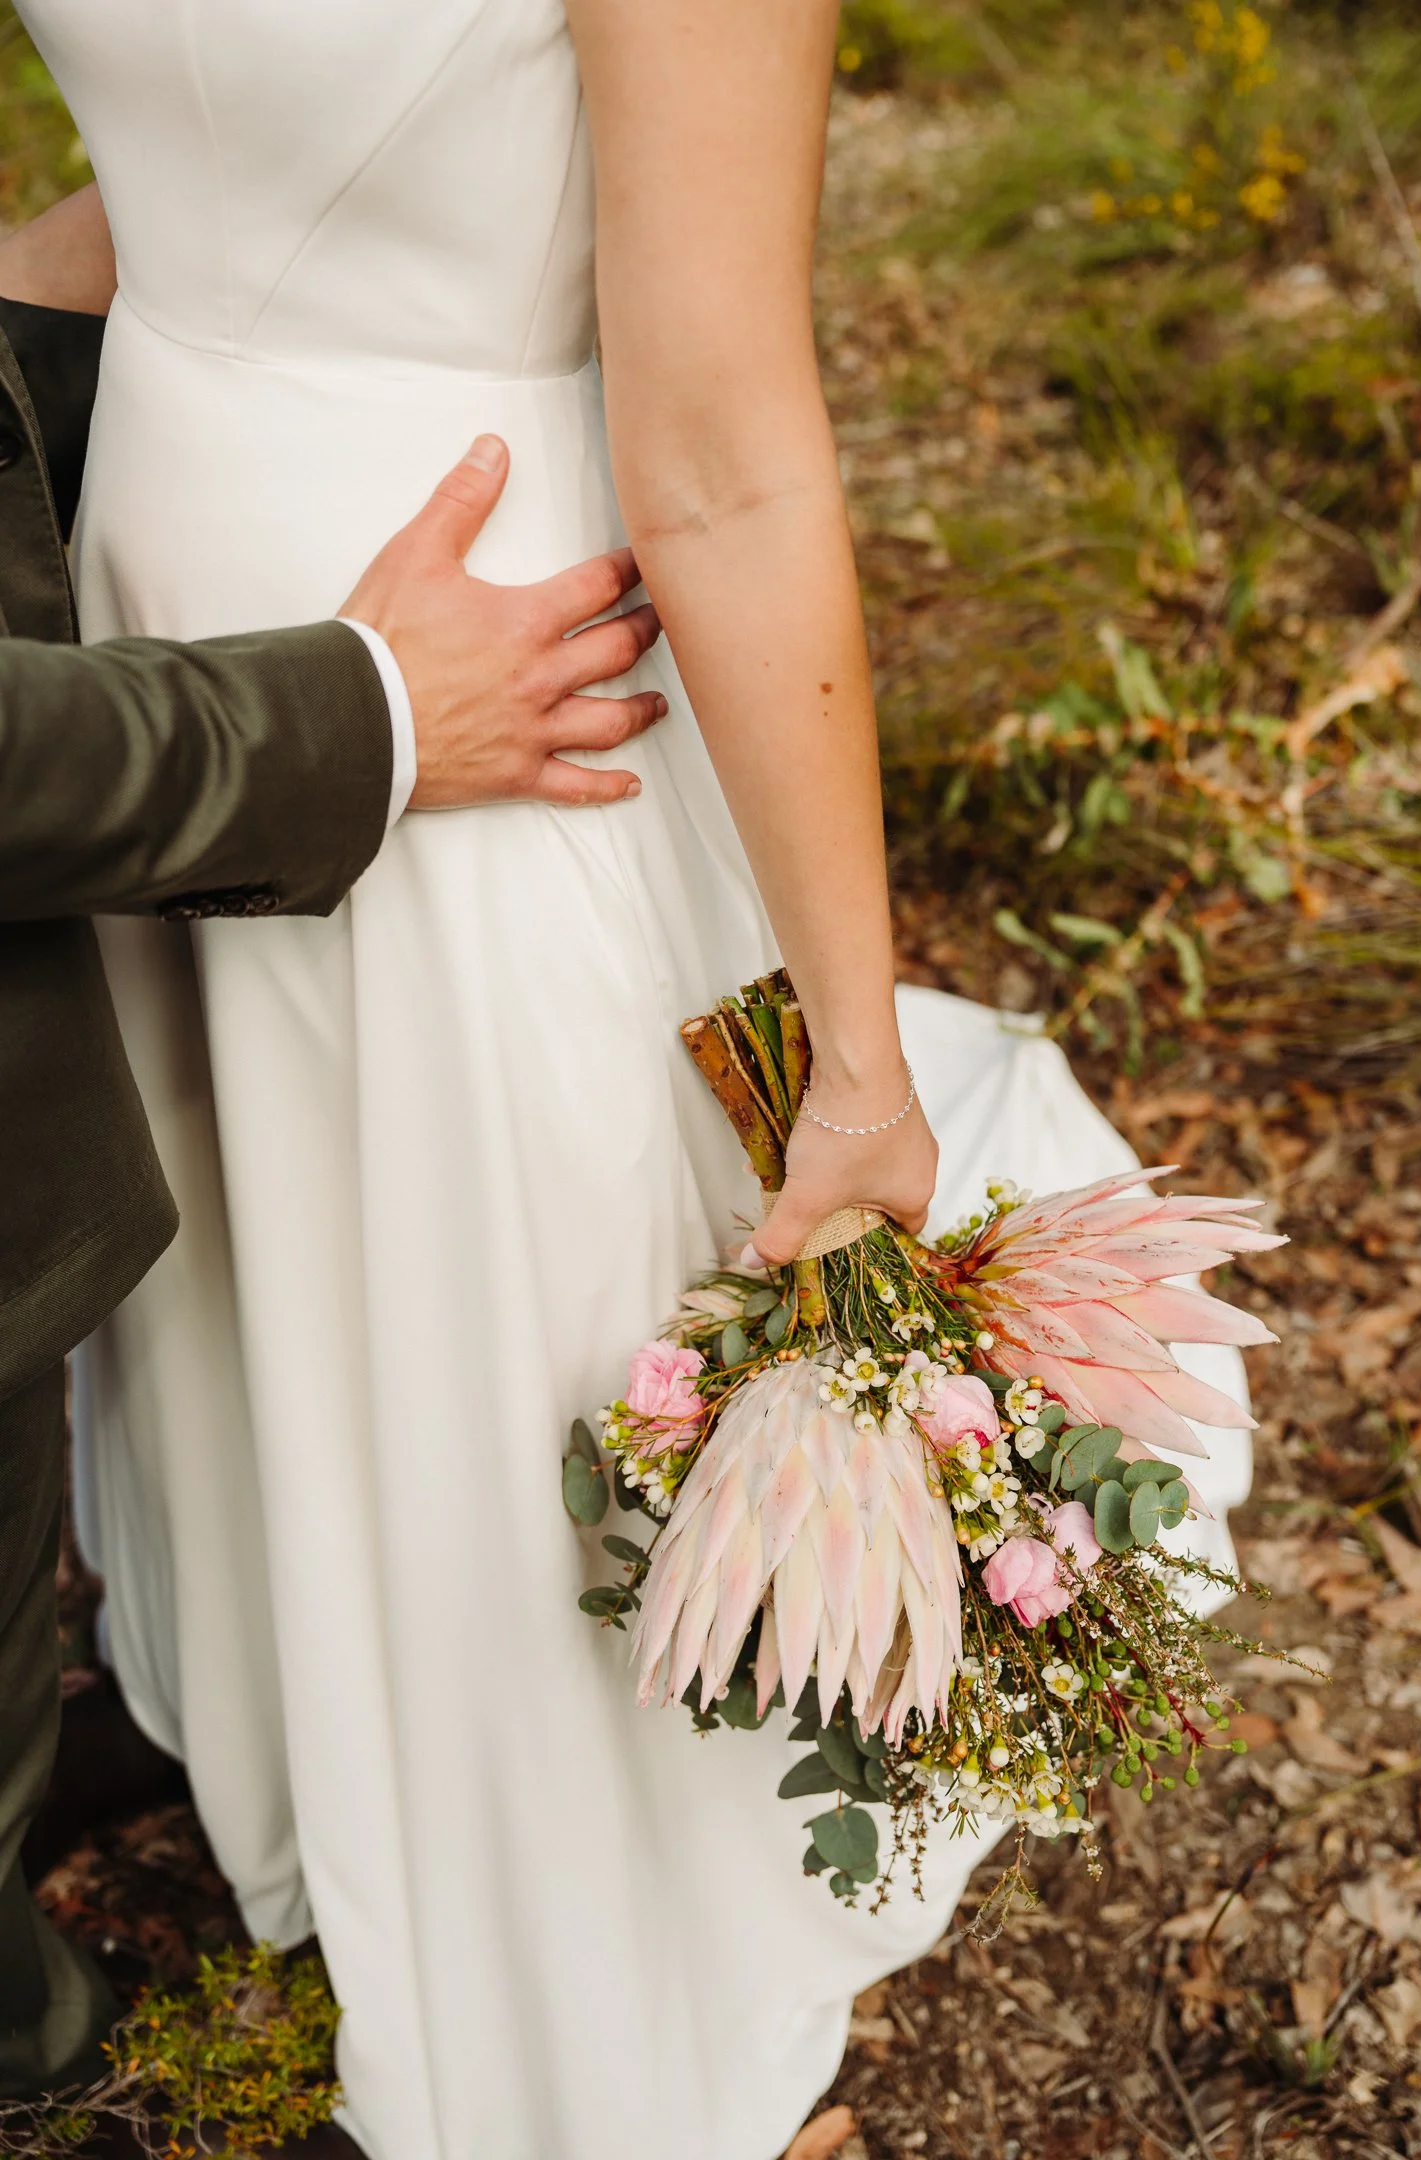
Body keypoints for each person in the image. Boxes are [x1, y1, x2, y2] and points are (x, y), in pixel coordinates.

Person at [14, 6, 1255, 2157]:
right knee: (431, 1262)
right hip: (403, 624)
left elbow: (177, 161)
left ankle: (356, 1783)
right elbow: (727, 456)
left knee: (370, 1238)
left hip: (197, 579)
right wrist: (853, 1069)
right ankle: (441, 1814)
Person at [0, 180, 667, 2106]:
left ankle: (242, 1714)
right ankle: (29, 2042)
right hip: (209, 663)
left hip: (203, 537)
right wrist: (356, 712)